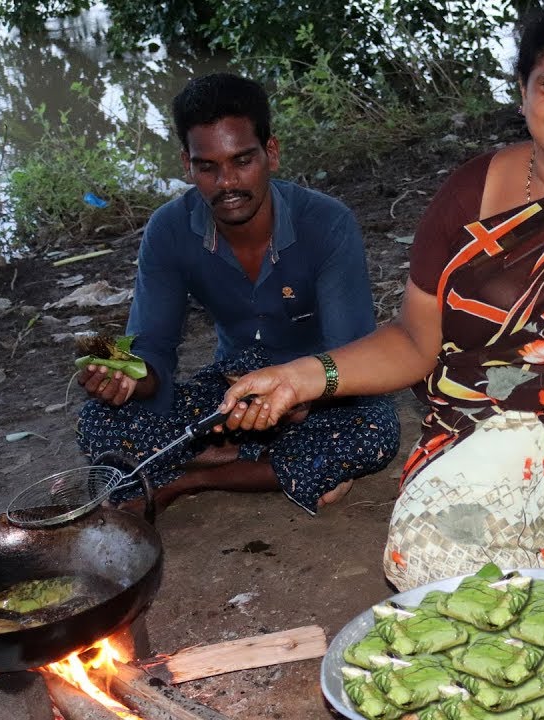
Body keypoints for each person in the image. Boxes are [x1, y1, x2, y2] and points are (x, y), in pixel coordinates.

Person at [220, 0, 544, 711]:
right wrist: (304, 374)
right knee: (422, 554)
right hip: (481, 431)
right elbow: (413, 340)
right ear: (521, 92)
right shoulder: (470, 189)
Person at [76, 73, 400, 515]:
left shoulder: (327, 223)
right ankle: (274, 463)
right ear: (187, 166)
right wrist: (130, 379)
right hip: (233, 389)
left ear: (271, 153)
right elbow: (151, 346)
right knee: (99, 421)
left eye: (242, 160)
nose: (226, 182)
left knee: (373, 429)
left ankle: (187, 478)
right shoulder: (168, 230)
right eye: (207, 166)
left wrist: (293, 401)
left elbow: (349, 353)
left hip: (319, 389)